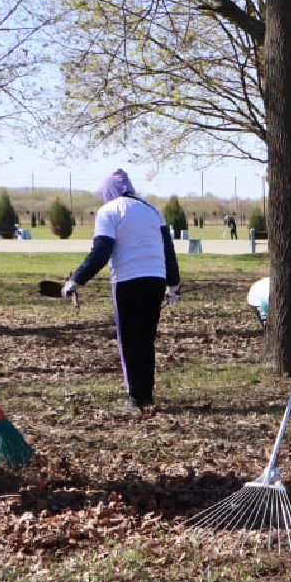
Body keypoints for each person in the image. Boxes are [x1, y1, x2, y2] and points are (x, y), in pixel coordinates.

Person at [63, 169, 181, 412]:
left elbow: (102, 251)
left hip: (127, 281)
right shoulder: (152, 210)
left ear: (107, 191)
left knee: (128, 340)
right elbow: (168, 249)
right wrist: (173, 284)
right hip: (155, 280)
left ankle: (135, 398)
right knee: (145, 339)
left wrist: (77, 279)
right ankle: (144, 394)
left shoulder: (109, 211)